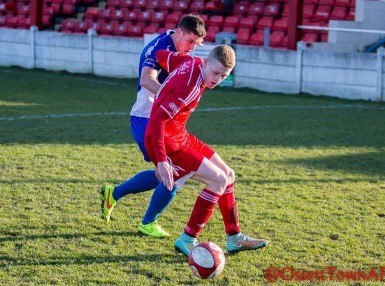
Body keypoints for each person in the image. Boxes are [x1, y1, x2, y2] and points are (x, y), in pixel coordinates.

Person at [145, 45, 269, 256]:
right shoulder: (189, 87)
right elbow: (156, 122)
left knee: (228, 175)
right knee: (218, 180)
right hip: (167, 142)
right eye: (216, 72)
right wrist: (162, 160)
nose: (218, 78)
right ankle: (187, 239)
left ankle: (234, 238)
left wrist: (154, 59)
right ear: (206, 62)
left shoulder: (190, 62)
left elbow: (162, 55)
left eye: (224, 75)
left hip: (180, 136)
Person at [99, 15, 206, 238]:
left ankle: (114, 194)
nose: (192, 48)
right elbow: (146, 79)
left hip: (161, 119)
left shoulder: (179, 50)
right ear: (179, 32)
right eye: (190, 42)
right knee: (173, 172)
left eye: (197, 44)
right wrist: (169, 98)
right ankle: (148, 222)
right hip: (147, 119)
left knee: (165, 173)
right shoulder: (159, 47)